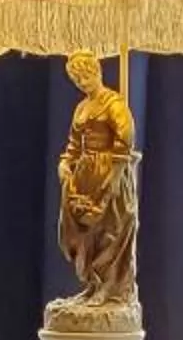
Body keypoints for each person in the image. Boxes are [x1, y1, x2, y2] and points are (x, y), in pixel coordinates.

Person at [56, 52, 139, 312]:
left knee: (110, 228)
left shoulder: (114, 103)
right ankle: (93, 283)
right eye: (77, 79)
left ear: (97, 71)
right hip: (85, 174)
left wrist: (113, 178)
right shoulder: (81, 108)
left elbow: (125, 140)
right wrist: (65, 163)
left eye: (86, 76)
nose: (82, 82)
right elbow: (73, 144)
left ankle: (112, 288)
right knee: (84, 231)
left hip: (110, 170)